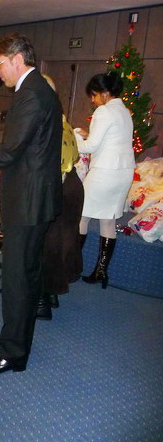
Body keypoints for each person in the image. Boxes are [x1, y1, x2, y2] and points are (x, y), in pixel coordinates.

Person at [0, 33, 62, 374]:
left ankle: (13, 353)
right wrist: (7, 170)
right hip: (32, 195)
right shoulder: (37, 89)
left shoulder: (31, 93)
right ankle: (13, 336)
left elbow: (12, 148)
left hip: (28, 203)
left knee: (19, 278)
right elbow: (33, 150)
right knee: (24, 274)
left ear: (17, 59)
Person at [74, 71, 134, 289]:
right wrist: (87, 134)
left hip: (105, 172)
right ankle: (101, 271)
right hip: (124, 172)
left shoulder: (103, 111)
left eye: (94, 94)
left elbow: (90, 147)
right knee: (108, 220)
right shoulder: (124, 110)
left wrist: (75, 137)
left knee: (81, 216)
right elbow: (112, 139)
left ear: (105, 93)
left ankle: (71, 266)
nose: (93, 100)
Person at [37, 74, 84, 318]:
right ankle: (52, 294)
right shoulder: (62, 119)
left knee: (45, 245)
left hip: (58, 186)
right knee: (60, 243)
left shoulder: (46, 121)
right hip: (71, 186)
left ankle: (41, 303)